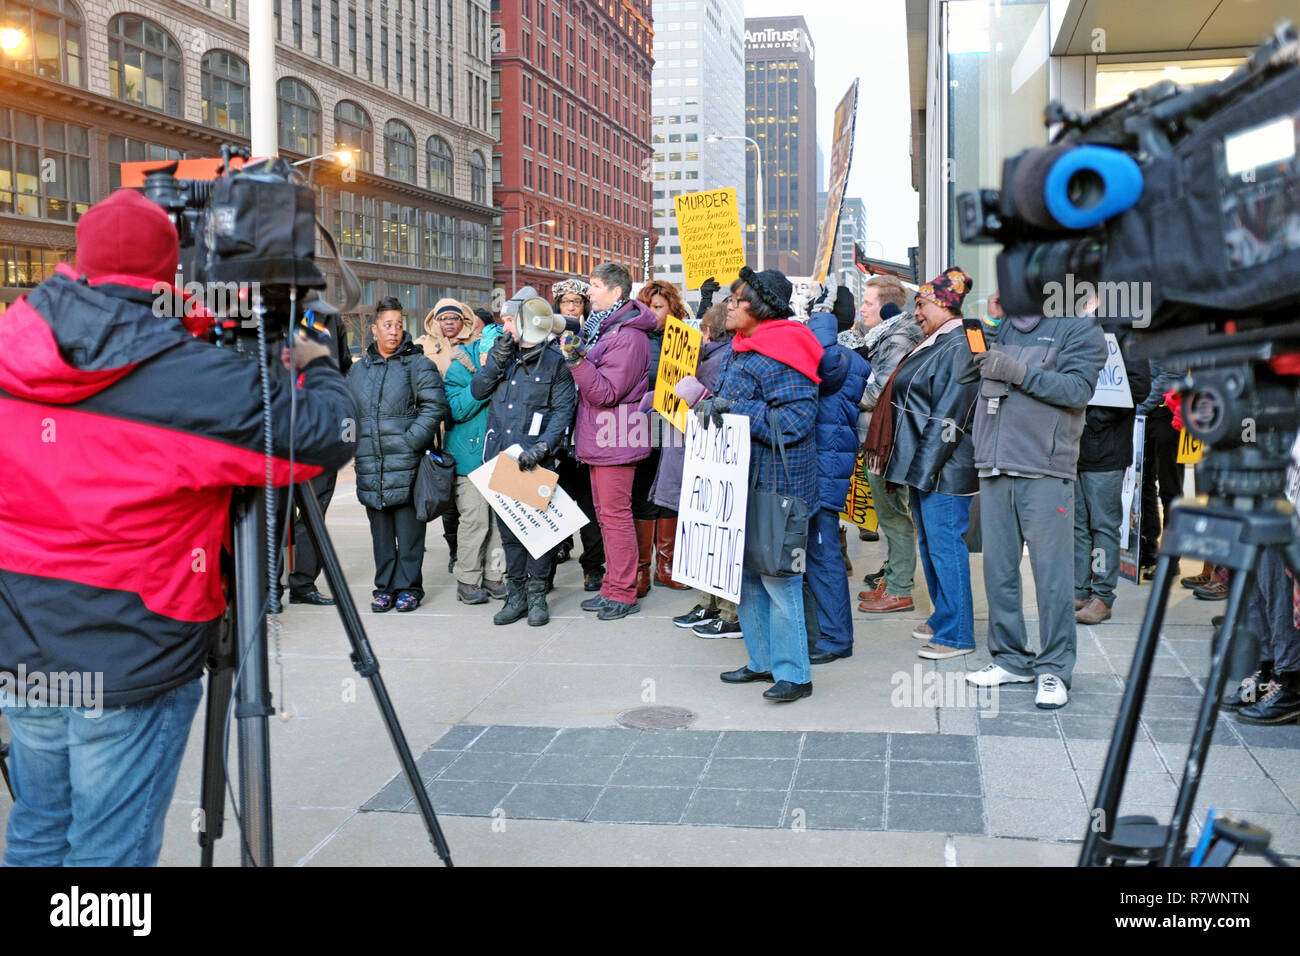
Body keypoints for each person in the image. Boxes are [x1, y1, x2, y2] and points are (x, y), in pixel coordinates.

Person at [0, 189, 356, 865]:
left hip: (22, 647)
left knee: (39, 828)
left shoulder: (15, 347)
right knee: (109, 852)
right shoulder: (190, 378)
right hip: (131, 653)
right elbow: (322, 439)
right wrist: (317, 364)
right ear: (172, 274)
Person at [964, 288, 1109, 709]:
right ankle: (1011, 659)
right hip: (994, 464)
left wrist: (1016, 371)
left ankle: (1055, 668)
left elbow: (1077, 391)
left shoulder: (1081, 328)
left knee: (1052, 578)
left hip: (1045, 469)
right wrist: (989, 327)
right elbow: (971, 375)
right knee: (999, 572)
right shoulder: (1005, 323)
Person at [688, 266, 822, 702]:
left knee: (780, 582)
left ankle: (794, 674)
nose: (728, 305)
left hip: (777, 487)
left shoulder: (785, 350)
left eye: (736, 299)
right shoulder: (741, 348)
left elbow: (797, 421)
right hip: (740, 482)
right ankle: (762, 661)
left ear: (760, 306)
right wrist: (709, 405)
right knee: (745, 578)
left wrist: (735, 408)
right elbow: (736, 407)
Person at [864, 267, 979, 661]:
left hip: (944, 469)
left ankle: (958, 633)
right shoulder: (938, 340)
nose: (916, 313)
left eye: (922, 304)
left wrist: (923, 471)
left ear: (945, 304)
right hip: (928, 465)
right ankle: (944, 615)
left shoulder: (961, 343)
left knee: (946, 547)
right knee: (933, 544)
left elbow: (949, 415)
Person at [559, 262, 657, 621]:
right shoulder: (607, 329)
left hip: (615, 437)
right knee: (607, 516)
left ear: (616, 293)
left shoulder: (626, 336)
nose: (589, 292)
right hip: (605, 438)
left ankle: (624, 592)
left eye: (595, 286)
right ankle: (612, 588)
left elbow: (605, 392)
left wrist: (575, 360)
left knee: (615, 517)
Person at [470, 301, 576, 626]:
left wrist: (545, 446)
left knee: (538, 534)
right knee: (510, 535)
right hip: (502, 458)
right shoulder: (503, 359)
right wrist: (495, 363)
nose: (506, 328)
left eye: (510, 322)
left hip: (536, 461)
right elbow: (477, 391)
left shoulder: (555, 364)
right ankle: (515, 596)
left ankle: (536, 595)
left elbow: (563, 411)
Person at [348, 296, 448, 612]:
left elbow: (436, 407)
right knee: (380, 533)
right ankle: (384, 587)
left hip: (407, 462)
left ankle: (409, 587)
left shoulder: (417, 364)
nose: (393, 331)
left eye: (399, 326)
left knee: (408, 533)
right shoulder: (359, 370)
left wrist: (410, 442)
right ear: (374, 329)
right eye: (387, 325)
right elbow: (345, 412)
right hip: (370, 462)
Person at [662, 304, 744, 638]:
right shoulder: (721, 357)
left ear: (706, 333)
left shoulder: (715, 362)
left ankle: (726, 611)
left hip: (711, 460)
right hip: (707, 461)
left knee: (714, 535)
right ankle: (709, 603)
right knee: (706, 534)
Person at [805, 288, 871, 663]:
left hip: (821, 470)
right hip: (827, 467)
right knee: (819, 554)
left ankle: (834, 638)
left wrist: (820, 315)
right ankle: (826, 632)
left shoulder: (835, 361)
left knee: (822, 553)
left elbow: (825, 362)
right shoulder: (854, 359)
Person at [855, 275, 924, 612]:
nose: (861, 309)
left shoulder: (896, 337)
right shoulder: (887, 334)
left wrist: (843, 394)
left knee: (895, 516)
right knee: (893, 515)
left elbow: (879, 391)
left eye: (867, 303)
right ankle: (894, 579)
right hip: (884, 439)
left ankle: (899, 588)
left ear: (885, 306)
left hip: (889, 441)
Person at [1074, 325, 1151, 624]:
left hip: (1104, 445)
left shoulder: (1125, 331)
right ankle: (1079, 590)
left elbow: (1139, 385)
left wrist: (1092, 421)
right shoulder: (1075, 326)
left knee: (1103, 525)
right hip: (1074, 444)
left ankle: (1103, 596)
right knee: (1077, 524)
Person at [436, 300, 508, 604]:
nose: (488, 358)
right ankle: (467, 578)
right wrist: (484, 380)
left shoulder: (507, 365)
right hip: (469, 458)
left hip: (502, 457)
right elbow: (457, 409)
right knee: (475, 520)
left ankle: (494, 576)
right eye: (485, 353)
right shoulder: (459, 367)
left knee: (498, 524)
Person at [285, 291, 353, 605]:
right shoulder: (265, 312)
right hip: (287, 424)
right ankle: (280, 585)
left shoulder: (327, 316)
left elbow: (341, 366)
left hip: (310, 423)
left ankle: (293, 585)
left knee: (308, 508)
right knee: (279, 511)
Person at [634, 279, 692, 594]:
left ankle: (666, 565)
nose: (653, 312)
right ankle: (643, 567)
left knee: (670, 490)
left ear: (672, 309)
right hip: (640, 423)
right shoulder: (635, 338)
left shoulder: (684, 339)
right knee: (643, 489)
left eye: (659, 307)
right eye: (648, 306)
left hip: (674, 422)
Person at [416, 299, 481, 574]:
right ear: (436, 321)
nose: (449, 323)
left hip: (466, 429)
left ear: (463, 320)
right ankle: (455, 549)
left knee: (468, 498)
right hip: (435, 431)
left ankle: (470, 553)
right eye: (444, 319)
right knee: (445, 496)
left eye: (454, 318)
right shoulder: (423, 346)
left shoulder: (477, 343)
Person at [550, 277, 605, 591]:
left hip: (586, 432)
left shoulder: (595, 335)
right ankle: (558, 547)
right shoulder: (546, 335)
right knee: (555, 500)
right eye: (566, 302)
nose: (571, 307)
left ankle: (593, 565)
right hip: (556, 435)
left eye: (577, 302)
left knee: (589, 505)